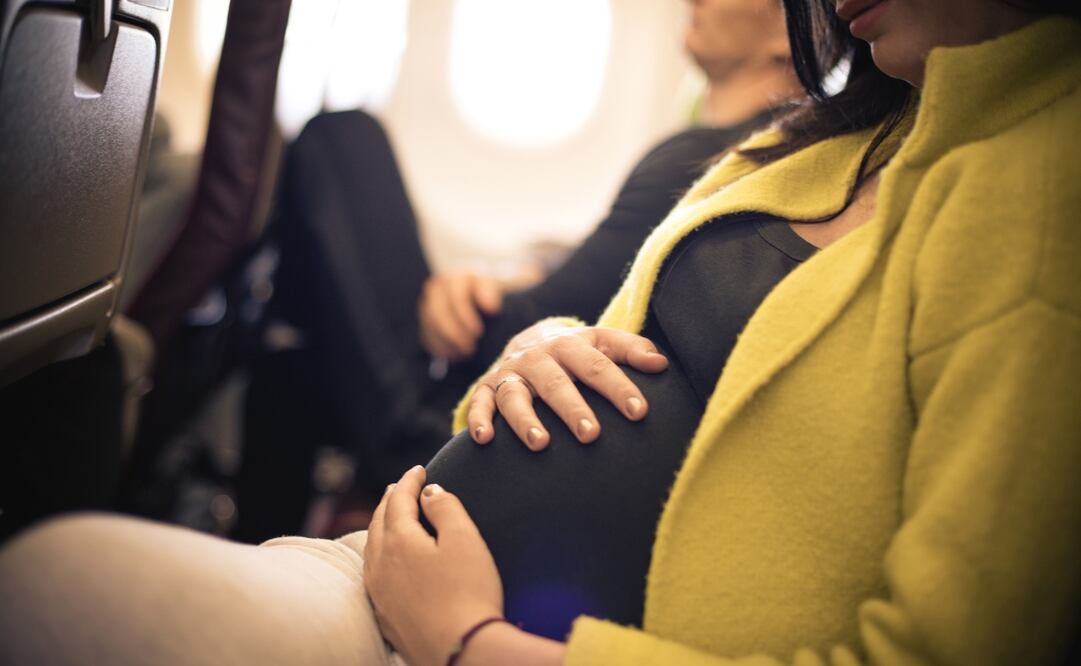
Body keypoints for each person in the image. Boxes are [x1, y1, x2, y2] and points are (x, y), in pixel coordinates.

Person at [2, 1, 1080, 665]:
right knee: (63, 579)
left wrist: (474, 644)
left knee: (57, 593)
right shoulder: (816, 146)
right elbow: (631, 332)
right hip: (410, 551)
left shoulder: (1035, 196)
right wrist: (536, 338)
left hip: (485, 634)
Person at [233, 0, 804, 541]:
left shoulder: (707, 158)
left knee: (343, 139)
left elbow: (534, 323)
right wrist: (519, 269)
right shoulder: (751, 156)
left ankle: (229, 334)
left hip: (464, 430)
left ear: (787, 30)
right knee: (291, 371)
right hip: (513, 426)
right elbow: (607, 280)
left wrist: (468, 297)